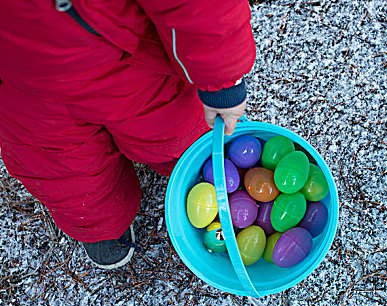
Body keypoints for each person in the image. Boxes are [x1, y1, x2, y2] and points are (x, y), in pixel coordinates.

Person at [0, 0, 256, 269]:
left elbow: (195, 6)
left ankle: (194, 170)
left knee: (177, 132)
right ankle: (101, 224)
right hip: (22, 93)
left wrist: (220, 78)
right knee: (64, 172)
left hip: (128, 60)